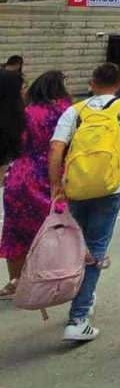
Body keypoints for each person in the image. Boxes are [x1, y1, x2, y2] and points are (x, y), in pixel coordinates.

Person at [48, 63, 120, 342]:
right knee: (96, 249)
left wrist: (56, 185)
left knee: (78, 246)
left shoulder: (75, 111)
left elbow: (56, 147)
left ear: (92, 82)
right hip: (111, 187)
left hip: (76, 187)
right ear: (119, 83)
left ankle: (85, 296)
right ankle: (78, 318)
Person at [1, 71, 71, 298]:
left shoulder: (25, 113)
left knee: (15, 230)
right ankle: (55, 279)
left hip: (20, 175)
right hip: (53, 174)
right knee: (56, 229)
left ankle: (16, 281)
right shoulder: (67, 113)